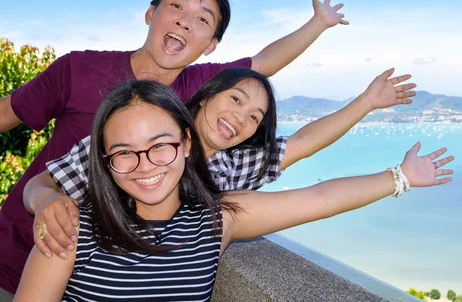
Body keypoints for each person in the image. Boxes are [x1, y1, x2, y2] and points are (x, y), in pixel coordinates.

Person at [0, 0, 348, 295]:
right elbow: (8, 114)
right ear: (151, 13)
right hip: (14, 252)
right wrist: (43, 197)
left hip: (97, 279)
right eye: (177, 5)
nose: (185, 20)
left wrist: (318, 24)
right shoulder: (79, 68)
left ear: (211, 44)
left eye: (203, 19)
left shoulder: (197, 94)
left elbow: (264, 62)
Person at [14, 80, 453, 301]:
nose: (145, 164)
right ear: (105, 160)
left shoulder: (215, 216)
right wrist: (45, 199)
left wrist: (400, 176)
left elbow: (316, 197)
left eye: (160, 146)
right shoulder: (71, 228)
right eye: (125, 152)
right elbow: (40, 186)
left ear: (184, 143)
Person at [25, 67, 417, 258]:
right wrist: (44, 202)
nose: (241, 118)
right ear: (206, 95)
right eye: (235, 100)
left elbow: (303, 145)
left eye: (254, 117)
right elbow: (41, 184)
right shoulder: (133, 136)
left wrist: (366, 102)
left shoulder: (232, 168)